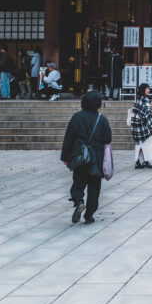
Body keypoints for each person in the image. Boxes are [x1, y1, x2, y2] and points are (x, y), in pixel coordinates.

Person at [60, 91, 112, 225]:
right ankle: (89, 215)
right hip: (96, 158)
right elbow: (107, 138)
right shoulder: (102, 119)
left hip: (80, 157)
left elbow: (69, 138)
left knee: (78, 183)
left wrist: (65, 156)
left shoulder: (77, 117)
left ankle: (79, 201)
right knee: (94, 188)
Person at [131, 82, 152, 169]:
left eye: (149, 88)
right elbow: (147, 115)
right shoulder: (144, 100)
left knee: (139, 144)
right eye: (147, 88)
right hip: (143, 125)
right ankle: (145, 161)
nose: (149, 90)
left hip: (136, 125)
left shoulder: (137, 99)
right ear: (143, 89)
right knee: (147, 144)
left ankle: (139, 161)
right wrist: (151, 126)